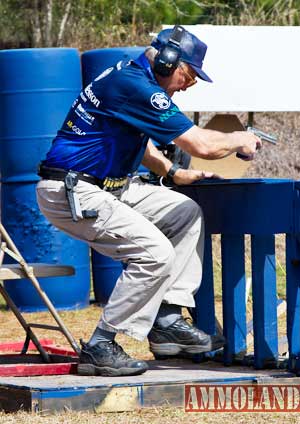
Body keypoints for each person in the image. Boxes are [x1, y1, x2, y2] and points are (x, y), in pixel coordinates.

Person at [36, 26, 261, 377]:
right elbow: (201, 145)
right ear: (169, 61)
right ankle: (100, 345)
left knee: (185, 212)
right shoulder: (137, 86)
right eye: (189, 75)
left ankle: (168, 316)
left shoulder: (132, 78)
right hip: (74, 191)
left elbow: (141, 143)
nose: (189, 85)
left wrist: (172, 173)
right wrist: (239, 138)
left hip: (107, 187)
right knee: (155, 253)